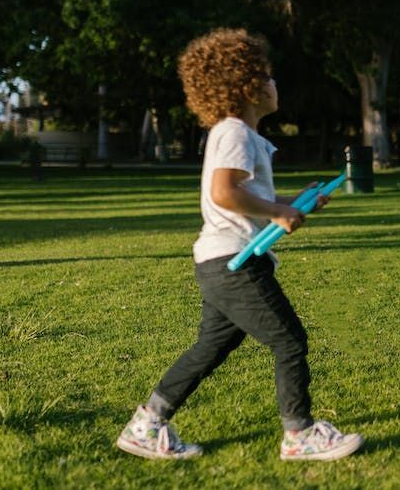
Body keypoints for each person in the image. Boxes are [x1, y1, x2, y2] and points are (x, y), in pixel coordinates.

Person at [115, 28, 363, 461]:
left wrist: (296, 202)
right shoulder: (234, 132)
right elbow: (224, 193)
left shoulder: (239, 135)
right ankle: (300, 435)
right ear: (245, 86)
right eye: (267, 76)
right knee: (289, 341)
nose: (273, 84)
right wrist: (277, 213)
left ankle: (146, 425)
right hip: (235, 261)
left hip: (223, 261)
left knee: (210, 347)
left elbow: (247, 197)